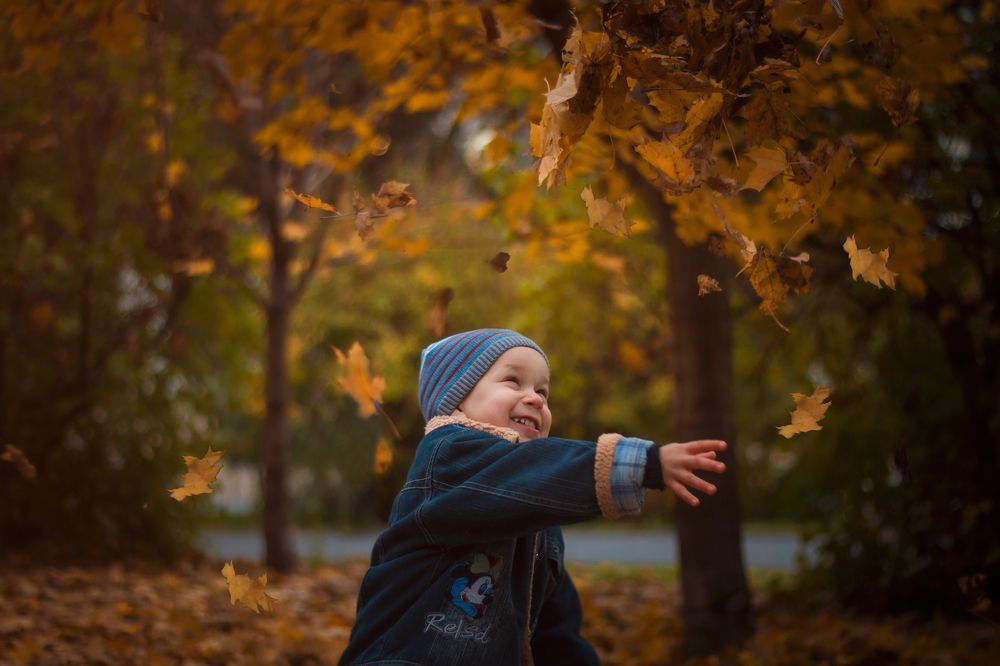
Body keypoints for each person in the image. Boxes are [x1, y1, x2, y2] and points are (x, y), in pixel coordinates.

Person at [339, 329, 727, 666]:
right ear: (456, 401)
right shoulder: (447, 456)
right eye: (513, 382)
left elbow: (553, 630)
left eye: (542, 390)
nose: (536, 398)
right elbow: (530, 472)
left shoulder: (535, 507)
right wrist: (646, 463)